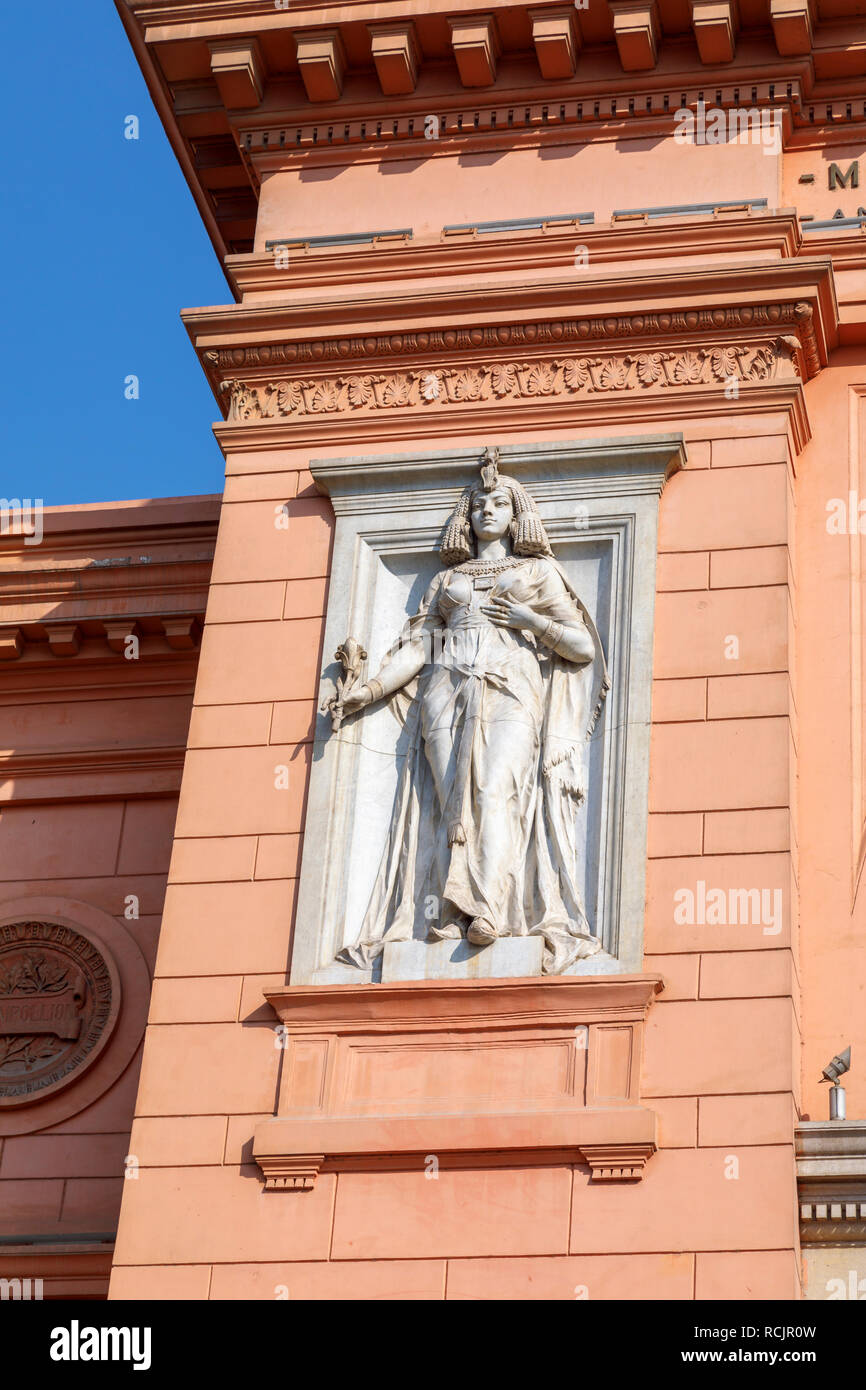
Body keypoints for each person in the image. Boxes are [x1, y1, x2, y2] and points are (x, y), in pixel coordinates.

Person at [335, 451, 608, 974]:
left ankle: (492, 910)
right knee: (449, 801)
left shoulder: (538, 572)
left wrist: (532, 619)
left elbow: (582, 647)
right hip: (446, 690)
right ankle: (450, 913)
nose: (488, 510)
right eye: (479, 503)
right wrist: (366, 692)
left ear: (516, 513)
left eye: (499, 502)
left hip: (511, 691)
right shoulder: (445, 582)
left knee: (494, 790)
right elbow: (420, 649)